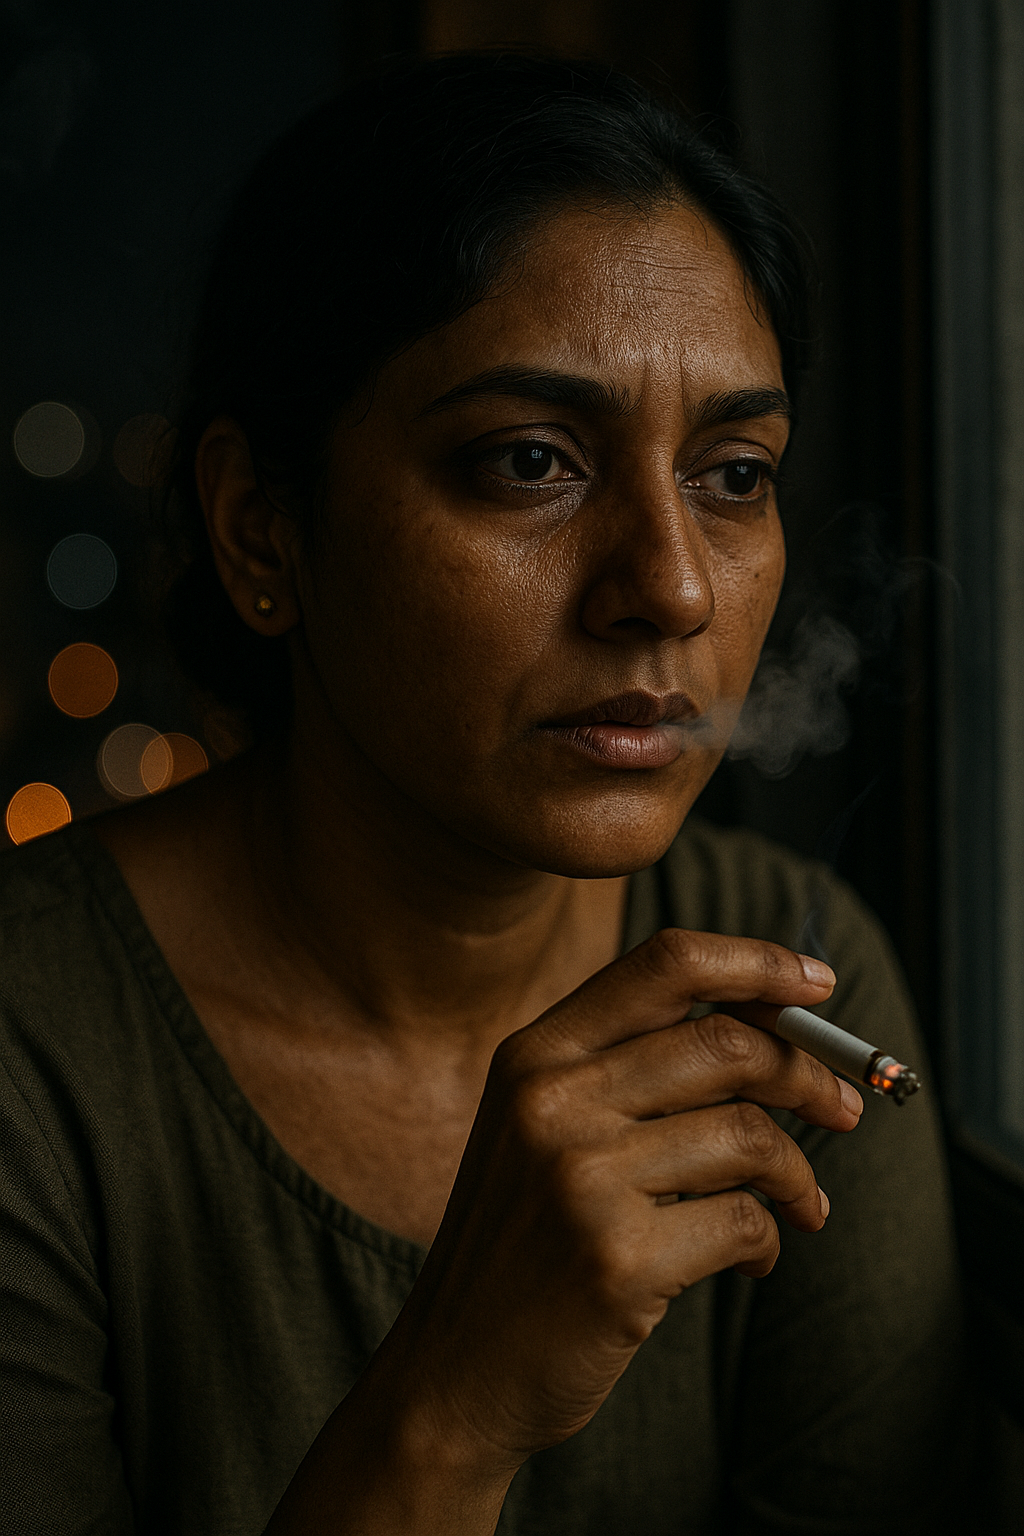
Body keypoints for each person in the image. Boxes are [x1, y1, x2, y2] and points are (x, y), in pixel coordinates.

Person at [0, 52, 964, 1536]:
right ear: (262, 531)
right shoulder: (34, 1055)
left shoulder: (799, 993)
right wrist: (450, 1405)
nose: (672, 586)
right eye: (529, 461)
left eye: (734, 473)